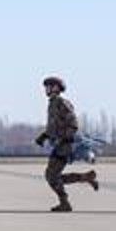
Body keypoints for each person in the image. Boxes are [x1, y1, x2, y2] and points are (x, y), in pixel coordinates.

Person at [35, 76, 98, 211]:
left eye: (49, 86)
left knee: (51, 176)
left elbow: (73, 124)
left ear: (56, 87)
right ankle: (85, 177)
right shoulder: (52, 103)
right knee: (52, 176)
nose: (46, 89)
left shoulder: (62, 103)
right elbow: (54, 126)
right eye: (46, 86)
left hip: (64, 145)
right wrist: (44, 136)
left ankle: (65, 203)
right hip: (58, 144)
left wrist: (65, 139)